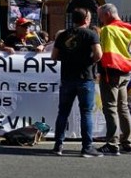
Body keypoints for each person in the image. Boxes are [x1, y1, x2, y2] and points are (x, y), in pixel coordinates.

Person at [51, 8, 103, 158]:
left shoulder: (63, 35)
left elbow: (54, 56)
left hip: (67, 78)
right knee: (86, 112)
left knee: (63, 112)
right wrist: (88, 62)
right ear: (86, 19)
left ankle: (58, 146)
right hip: (85, 77)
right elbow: (98, 54)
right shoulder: (91, 34)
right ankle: (87, 147)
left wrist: (68, 60)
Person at [96, 3, 131, 155]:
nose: (100, 20)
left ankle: (112, 143)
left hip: (111, 72)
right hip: (125, 72)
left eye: (101, 16)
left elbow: (104, 53)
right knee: (123, 108)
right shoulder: (127, 30)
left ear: (108, 14)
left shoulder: (108, 30)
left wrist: (101, 71)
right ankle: (127, 143)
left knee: (110, 108)